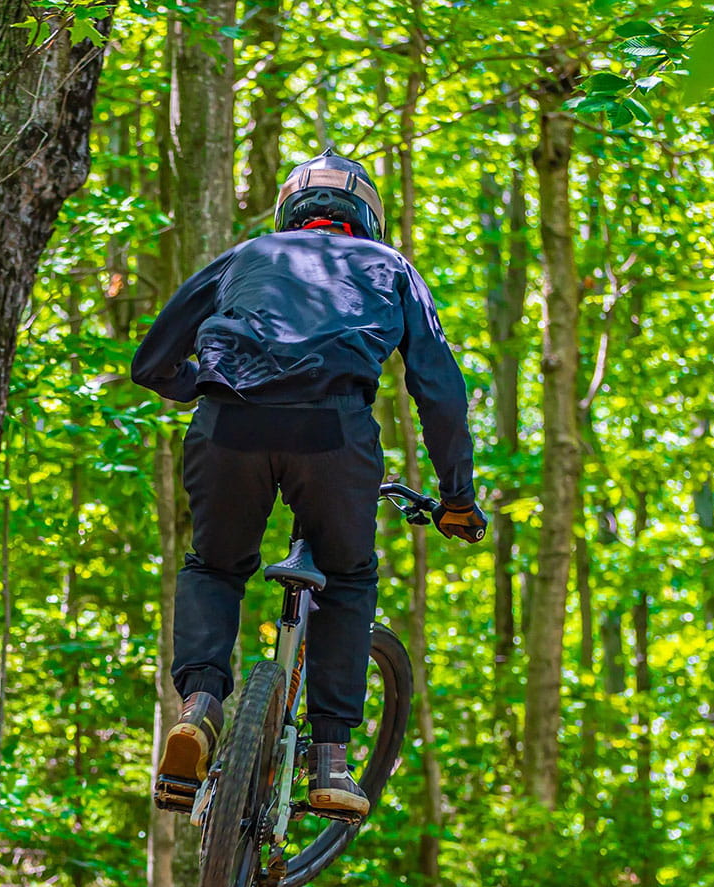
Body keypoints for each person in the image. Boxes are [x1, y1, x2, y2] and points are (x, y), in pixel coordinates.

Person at [132, 153, 486, 822]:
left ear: (289, 211)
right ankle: (329, 761)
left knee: (215, 565)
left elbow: (150, 363)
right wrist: (457, 496)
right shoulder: (391, 268)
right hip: (333, 434)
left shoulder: (245, 257)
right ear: (368, 218)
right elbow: (438, 391)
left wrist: (208, 389)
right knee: (347, 578)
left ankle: (200, 709)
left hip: (227, 428)